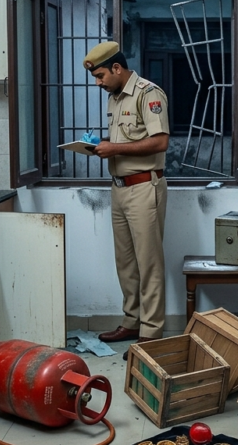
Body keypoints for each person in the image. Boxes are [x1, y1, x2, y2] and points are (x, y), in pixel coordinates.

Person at [83, 41, 170, 360]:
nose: (98, 82)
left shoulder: (149, 94)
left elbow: (160, 142)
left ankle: (151, 332)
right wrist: (101, 147)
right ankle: (132, 322)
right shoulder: (114, 97)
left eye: (101, 75)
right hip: (119, 188)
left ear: (117, 68)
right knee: (126, 263)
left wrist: (114, 149)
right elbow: (125, 140)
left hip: (144, 188)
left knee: (149, 263)